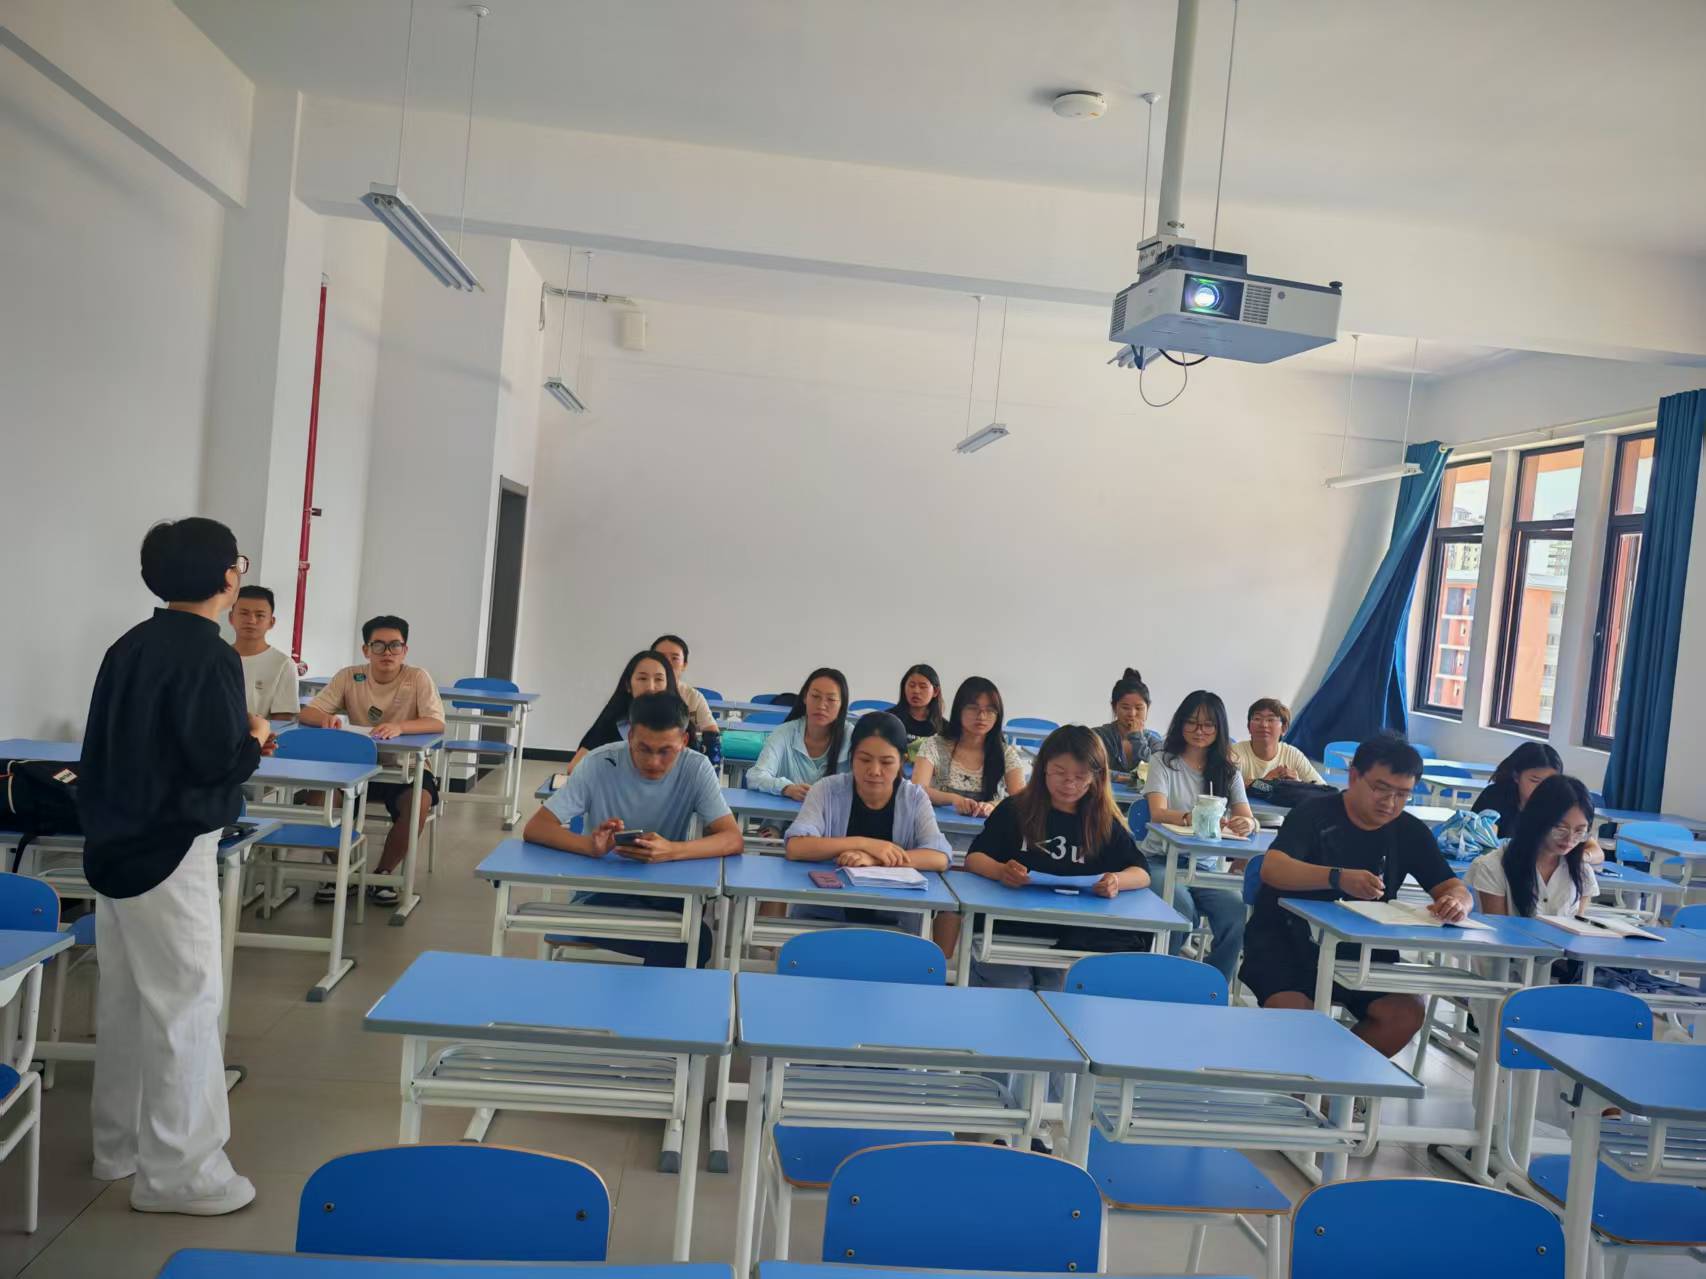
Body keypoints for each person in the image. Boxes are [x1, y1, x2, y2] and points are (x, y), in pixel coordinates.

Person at [78, 517, 270, 1215]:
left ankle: (120, 1145)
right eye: (237, 563)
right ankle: (183, 1173)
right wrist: (255, 736)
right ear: (225, 576)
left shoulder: (128, 644)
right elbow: (215, 760)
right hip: (172, 845)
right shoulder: (210, 654)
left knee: (129, 999)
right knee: (187, 1003)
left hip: (114, 843)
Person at [1239, 734, 1472, 1057]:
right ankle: (1312, 1076)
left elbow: (1452, 886)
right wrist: (1337, 877)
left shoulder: (1409, 830)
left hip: (1364, 950)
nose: (1390, 802)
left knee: (1405, 1013)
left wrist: (1458, 902)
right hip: (1286, 944)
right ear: (1353, 777)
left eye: (1402, 794)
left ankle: (1333, 1081)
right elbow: (1272, 868)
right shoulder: (1312, 813)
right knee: (1296, 1018)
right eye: (1380, 788)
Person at [522, 691, 741, 965]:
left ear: (684, 741)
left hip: (666, 891)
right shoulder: (599, 763)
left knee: (693, 939)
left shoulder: (696, 768)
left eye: (665, 751)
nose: (653, 762)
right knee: (688, 944)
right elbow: (536, 827)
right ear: (630, 737)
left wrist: (671, 850)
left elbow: (732, 838)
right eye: (644, 749)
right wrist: (589, 846)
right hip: (600, 895)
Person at [962, 726, 1152, 990]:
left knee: (1061, 992)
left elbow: (1141, 872)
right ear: (1043, 769)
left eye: (1080, 776)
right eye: (1060, 773)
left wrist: (1116, 881)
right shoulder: (1015, 809)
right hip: (1009, 928)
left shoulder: (1103, 822)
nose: (1069, 784)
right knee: (1012, 989)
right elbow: (974, 858)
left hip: (1074, 937)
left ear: (1096, 777)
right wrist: (1000, 870)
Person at [299, 615, 446, 905]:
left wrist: (401, 727)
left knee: (418, 803)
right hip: (353, 767)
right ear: (366, 650)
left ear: (405, 650)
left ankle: (383, 876)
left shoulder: (417, 677)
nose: (387, 652)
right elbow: (307, 713)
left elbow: (436, 722)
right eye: (378, 645)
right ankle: (344, 870)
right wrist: (326, 718)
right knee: (318, 799)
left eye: (395, 645)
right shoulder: (349, 676)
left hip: (405, 767)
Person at [785, 712, 951, 930]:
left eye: (886, 762)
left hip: (895, 919)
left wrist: (874, 859)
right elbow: (796, 847)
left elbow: (939, 857)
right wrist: (864, 843)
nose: (874, 771)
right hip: (823, 912)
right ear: (852, 757)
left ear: (902, 761)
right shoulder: (826, 790)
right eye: (864, 760)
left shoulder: (914, 798)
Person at [1144, 691, 1257, 984]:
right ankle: (1159, 980)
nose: (1199, 730)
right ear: (1181, 723)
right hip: (1161, 862)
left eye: (1208, 725)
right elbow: (1157, 812)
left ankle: (1211, 985)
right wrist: (1190, 818)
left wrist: (1245, 823)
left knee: (1236, 913)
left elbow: (1247, 816)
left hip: (1205, 868)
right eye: (1192, 722)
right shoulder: (1163, 761)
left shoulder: (1228, 770)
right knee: (1181, 908)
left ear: (1219, 729)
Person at [1467, 774, 1598, 918]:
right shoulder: (1493, 866)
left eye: (1580, 831)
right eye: (1560, 828)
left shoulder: (1582, 871)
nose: (1570, 839)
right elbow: (1497, 926)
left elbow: (1576, 925)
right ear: (1537, 820)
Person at [912, 676, 1028, 818]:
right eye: (973, 708)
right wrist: (953, 799)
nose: (982, 716)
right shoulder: (934, 745)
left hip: (986, 829)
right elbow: (917, 789)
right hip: (935, 826)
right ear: (959, 710)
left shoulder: (1006, 754)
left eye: (990, 710)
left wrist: (993, 805)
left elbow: (1022, 800)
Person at [1471, 745, 1604, 867]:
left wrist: (1582, 857)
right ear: (1516, 776)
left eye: (1551, 782)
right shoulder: (1496, 797)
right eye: (1535, 780)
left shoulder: (1559, 805)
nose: (1543, 788)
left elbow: (1596, 852)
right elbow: (1487, 844)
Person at [563, 650, 679, 776]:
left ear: (668, 685)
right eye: (642, 678)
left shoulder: (680, 725)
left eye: (659, 679)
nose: (651, 687)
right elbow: (575, 768)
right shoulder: (612, 724)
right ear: (628, 685)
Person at [746, 668, 852, 799]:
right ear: (805, 698)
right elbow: (755, 776)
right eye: (815, 696)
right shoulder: (784, 733)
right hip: (785, 812)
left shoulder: (851, 737)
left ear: (842, 705)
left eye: (831, 699)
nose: (821, 705)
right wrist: (786, 788)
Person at [229, 585, 299, 720]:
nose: (251, 620)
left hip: (262, 733)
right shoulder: (216, 657)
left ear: (271, 622)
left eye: (260, 615)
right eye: (244, 613)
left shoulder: (283, 664)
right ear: (231, 618)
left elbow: (282, 720)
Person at [1230, 697, 1325, 787]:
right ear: (1249, 727)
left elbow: (1324, 790)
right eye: (1257, 719)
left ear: (1284, 728)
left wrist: (1298, 785)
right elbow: (1226, 787)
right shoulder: (1234, 753)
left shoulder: (1293, 755)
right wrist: (1264, 783)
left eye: (1270, 720)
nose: (1263, 725)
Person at [651, 634, 720, 750]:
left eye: (674, 658)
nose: (667, 662)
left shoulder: (693, 697)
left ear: (684, 665)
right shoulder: (639, 690)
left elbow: (711, 733)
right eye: (661, 657)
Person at [1092, 669, 1162, 781]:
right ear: (1114, 707)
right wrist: (1127, 778)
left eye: (1139, 708)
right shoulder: (1097, 736)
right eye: (1125, 707)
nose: (1132, 714)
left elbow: (1156, 775)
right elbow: (1088, 769)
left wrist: (1137, 738)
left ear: (1147, 708)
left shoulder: (1155, 743)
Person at [885, 663, 946, 740]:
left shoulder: (944, 728)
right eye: (912, 685)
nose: (916, 691)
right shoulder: (888, 720)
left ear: (935, 691)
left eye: (923, 687)